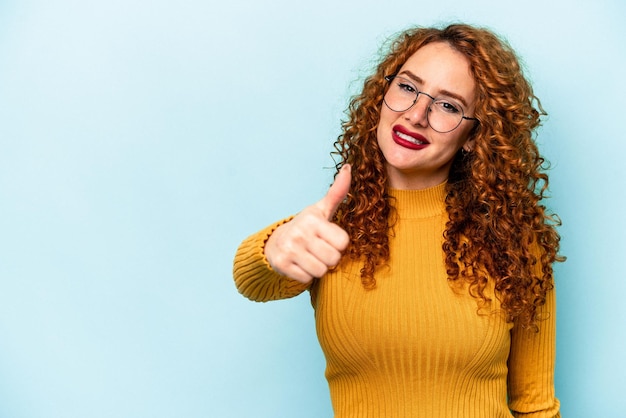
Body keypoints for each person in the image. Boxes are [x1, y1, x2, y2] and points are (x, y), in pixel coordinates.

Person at [233, 23, 564, 418]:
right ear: (382, 94)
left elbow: (537, 406)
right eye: (407, 87)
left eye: (448, 105)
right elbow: (254, 280)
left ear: (476, 135)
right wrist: (272, 248)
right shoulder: (331, 228)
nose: (416, 114)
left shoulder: (513, 241)